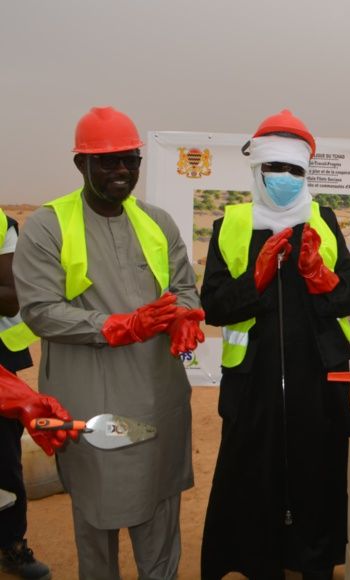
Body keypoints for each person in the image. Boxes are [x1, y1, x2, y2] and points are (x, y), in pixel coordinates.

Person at [12, 106, 205, 579]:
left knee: (160, 506)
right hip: (90, 397)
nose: (122, 170)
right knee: (97, 514)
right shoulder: (48, 225)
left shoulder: (157, 222)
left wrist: (184, 316)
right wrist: (115, 326)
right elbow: (39, 309)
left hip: (158, 394)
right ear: (81, 165)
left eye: (130, 160)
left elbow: (183, 287)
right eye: (108, 161)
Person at [200, 109, 350, 580]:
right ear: (257, 170)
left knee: (319, 474)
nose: (285, 179)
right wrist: (254, 281)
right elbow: (214, 305)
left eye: (295, 170)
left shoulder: (323, 219)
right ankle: (259, 563)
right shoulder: (230, 224)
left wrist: (321, 278)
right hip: (254, 384)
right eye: (276, 169)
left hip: (318, 379)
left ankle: (312, 564)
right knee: (253, 478)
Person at [0, 208, 50, 579]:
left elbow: (10, 298)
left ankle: (11, 545)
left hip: (0, 364)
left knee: (3, 459)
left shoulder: (1, 224)